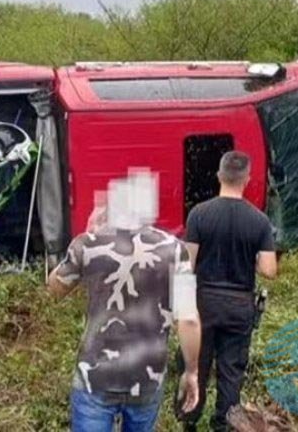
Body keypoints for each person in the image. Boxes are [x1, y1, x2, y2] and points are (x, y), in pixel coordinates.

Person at [48, 173, 201, 432]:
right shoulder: (175, 250)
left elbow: (54, 289)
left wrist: (88, 233)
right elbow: (188, 319)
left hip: (94, 376)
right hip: (147, 377)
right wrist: (191, 372)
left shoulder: (88, 245)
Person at [182, 151, 278, 431]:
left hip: (204, 303)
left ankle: (189, 421)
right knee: (231, 372)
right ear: (247, 179)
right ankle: (223, 425)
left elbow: (188, 262)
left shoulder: (199, 214)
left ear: (219, 176)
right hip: (239, 305)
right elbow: (269, 269)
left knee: (197, 366)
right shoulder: (259, 220)